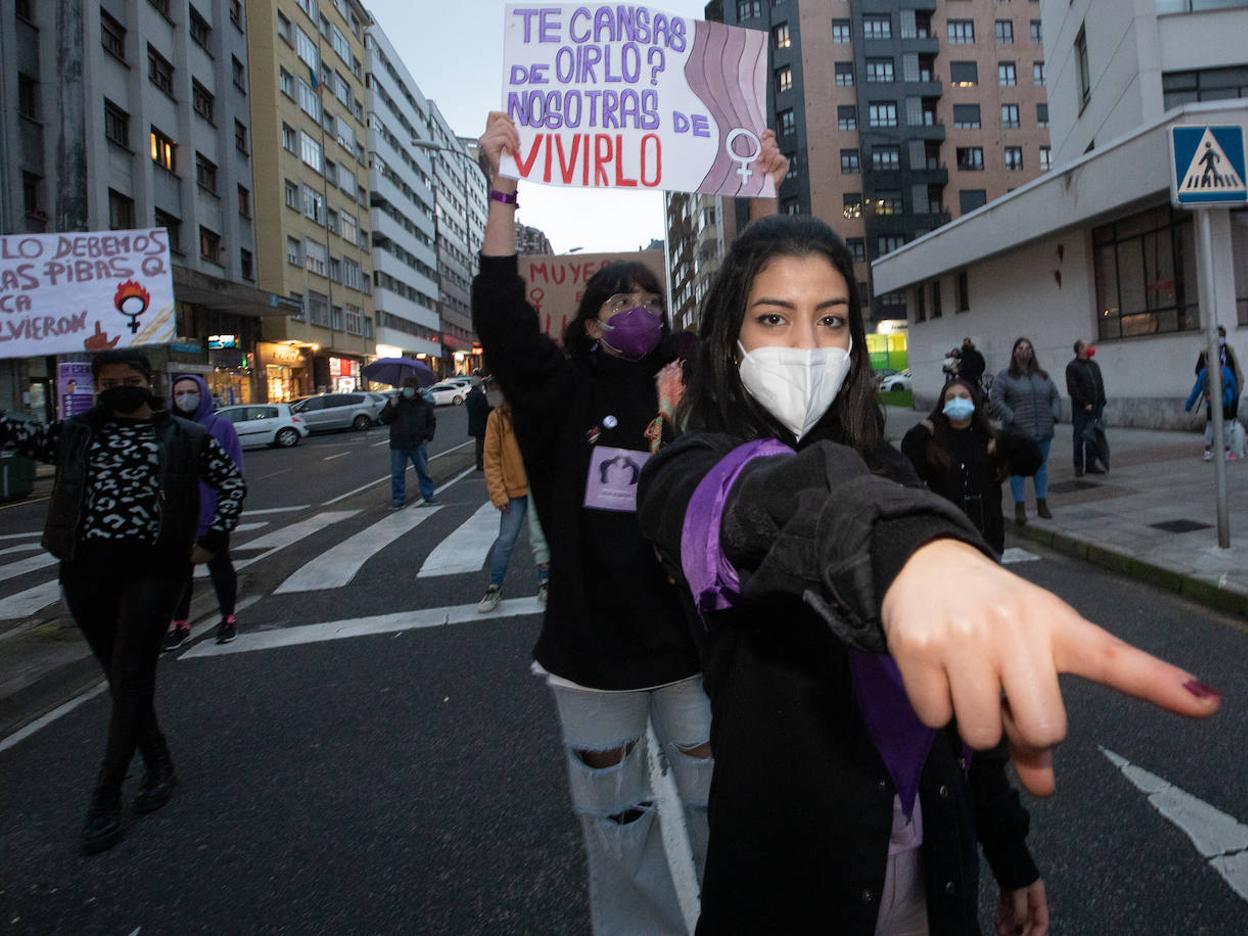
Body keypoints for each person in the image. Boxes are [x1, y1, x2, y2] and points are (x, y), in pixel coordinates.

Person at [636, 214, 1222, 934]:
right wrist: (896, 549)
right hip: (784, 888)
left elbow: (966, 714)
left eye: (830, 320)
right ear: (731, 341)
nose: (807, 346)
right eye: (773, 319)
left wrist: (1010, 853)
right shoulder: (690, 466)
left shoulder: (894, 466)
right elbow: (747, 502)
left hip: (929, 874)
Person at [472, 110, 777, 935]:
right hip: (592, 655)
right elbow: (500, 314)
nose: (635, 310)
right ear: (588, 320)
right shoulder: (557, 392)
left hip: (694, 647)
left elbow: (760, 307)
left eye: (649, 297)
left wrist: (764, 194)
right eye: (618, 300)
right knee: (617, 825)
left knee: (728, 806)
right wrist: (502, 183)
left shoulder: (701, 379)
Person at [0, 349, 246, 855]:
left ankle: (106, 793)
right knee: (121, 679)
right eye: (108, 383)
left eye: (128, 379)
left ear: (148, 381)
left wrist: (213, 539)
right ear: (96, 386)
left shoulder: (187, 436)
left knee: (132, 673)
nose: (119, 388)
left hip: (155, 571)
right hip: (85, 573)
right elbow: (10, 430)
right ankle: (158, 762)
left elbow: (232, 484)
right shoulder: (74, 433)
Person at [901, 378, 1041, 555]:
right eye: (951, 397)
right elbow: (907, 466)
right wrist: (920, 432)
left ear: (974, 401)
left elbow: (1033, 460)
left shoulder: (989, 440)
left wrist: (1004, 444)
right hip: (947, 540)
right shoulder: (934, 445)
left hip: (987, 541)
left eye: (963, 396)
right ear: (942, 404)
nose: (957, 401)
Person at [164, 374, 244, 650]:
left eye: (191, 391)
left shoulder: (221, 426)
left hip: (212, 512)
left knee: (220, 566)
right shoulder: (167, 428)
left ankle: (228, 618)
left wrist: (227, 510)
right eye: (179, 393)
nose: (185, 397)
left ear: (203, 394)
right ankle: (181, 623)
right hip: (176, 515)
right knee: (178, 573)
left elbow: (235, 470)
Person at [478, 390, 550, 612]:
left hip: (539, 486)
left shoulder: (539, 413)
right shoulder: (497, 418)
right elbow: (491, 458)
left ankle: (545, 582)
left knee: (541, 539)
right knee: (505, 540)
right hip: (512, 490)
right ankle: (494, 586)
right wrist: (497, 493)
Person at [991, 338, 1061, 525]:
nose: (1025, 351)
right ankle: (1019, 506)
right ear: (1014, 353)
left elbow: (1055, 396)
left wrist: (1054, 415)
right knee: (1017, 470)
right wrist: (1011, 418)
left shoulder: (1043, 376)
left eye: (1028, 348)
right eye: (1021, 348)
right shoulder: (1004, 377)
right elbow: (996, 400)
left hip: (1043, 430)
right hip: (1018, 434)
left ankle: (1042, 503)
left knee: (1041, 467)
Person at [379, 377, 436, 509]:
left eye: (410, 388)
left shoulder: (423, 404)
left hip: (418, 442)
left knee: (423, 471)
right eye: (406, 388)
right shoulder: (396, 402)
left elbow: (431, 421)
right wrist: (391, 407)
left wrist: (428, 436)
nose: (407, 390)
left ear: (416, 390)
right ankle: (399, 499)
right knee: (397, 473)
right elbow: (383, 419)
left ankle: (428, 495)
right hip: (398, 443)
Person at [1065, 340, 1107, 478]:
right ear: (1080, 349)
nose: (1090, 348)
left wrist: (1101, 401)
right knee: (1079, 437)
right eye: (1087, 346)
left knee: (1093, 436)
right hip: (1081, 409)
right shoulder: (1072, 367)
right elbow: (1072, 388)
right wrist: (1084, 403)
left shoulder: (1094, 365)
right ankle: (1078, 465)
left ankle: (1091, 463)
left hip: (1096, 407)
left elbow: (1099, 383)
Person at [1185, 358, 1239, 462]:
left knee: (1210, 425)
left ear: (1206, 362)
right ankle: (1227, 452)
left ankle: (1208, 451)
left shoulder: (1203, 373)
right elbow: (1234, 387)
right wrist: (1233, 397)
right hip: (1225, 402)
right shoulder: (1226, 371)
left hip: (1211, 403)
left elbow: (1196, 390)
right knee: (1226, 425)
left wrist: (1189, 404)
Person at [1195, 325, 1243, 421]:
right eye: (1219, 336)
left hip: (1228, 392)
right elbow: (1198, 370)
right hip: (1213, 392)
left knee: (1229, 419)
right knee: (1213, 420)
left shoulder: (1229, 351)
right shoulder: (1206, 353)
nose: (1220, 338)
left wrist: (1237, 387)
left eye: (1222, 336)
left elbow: (1236, 370)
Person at [465, 377, 494, 471]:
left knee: (479, 444)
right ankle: (482, 463)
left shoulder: (470, 395)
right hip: (481, 422)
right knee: (482, 444)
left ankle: (479, 463)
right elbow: (484, 407)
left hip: (474, 422)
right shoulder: (479, 395)